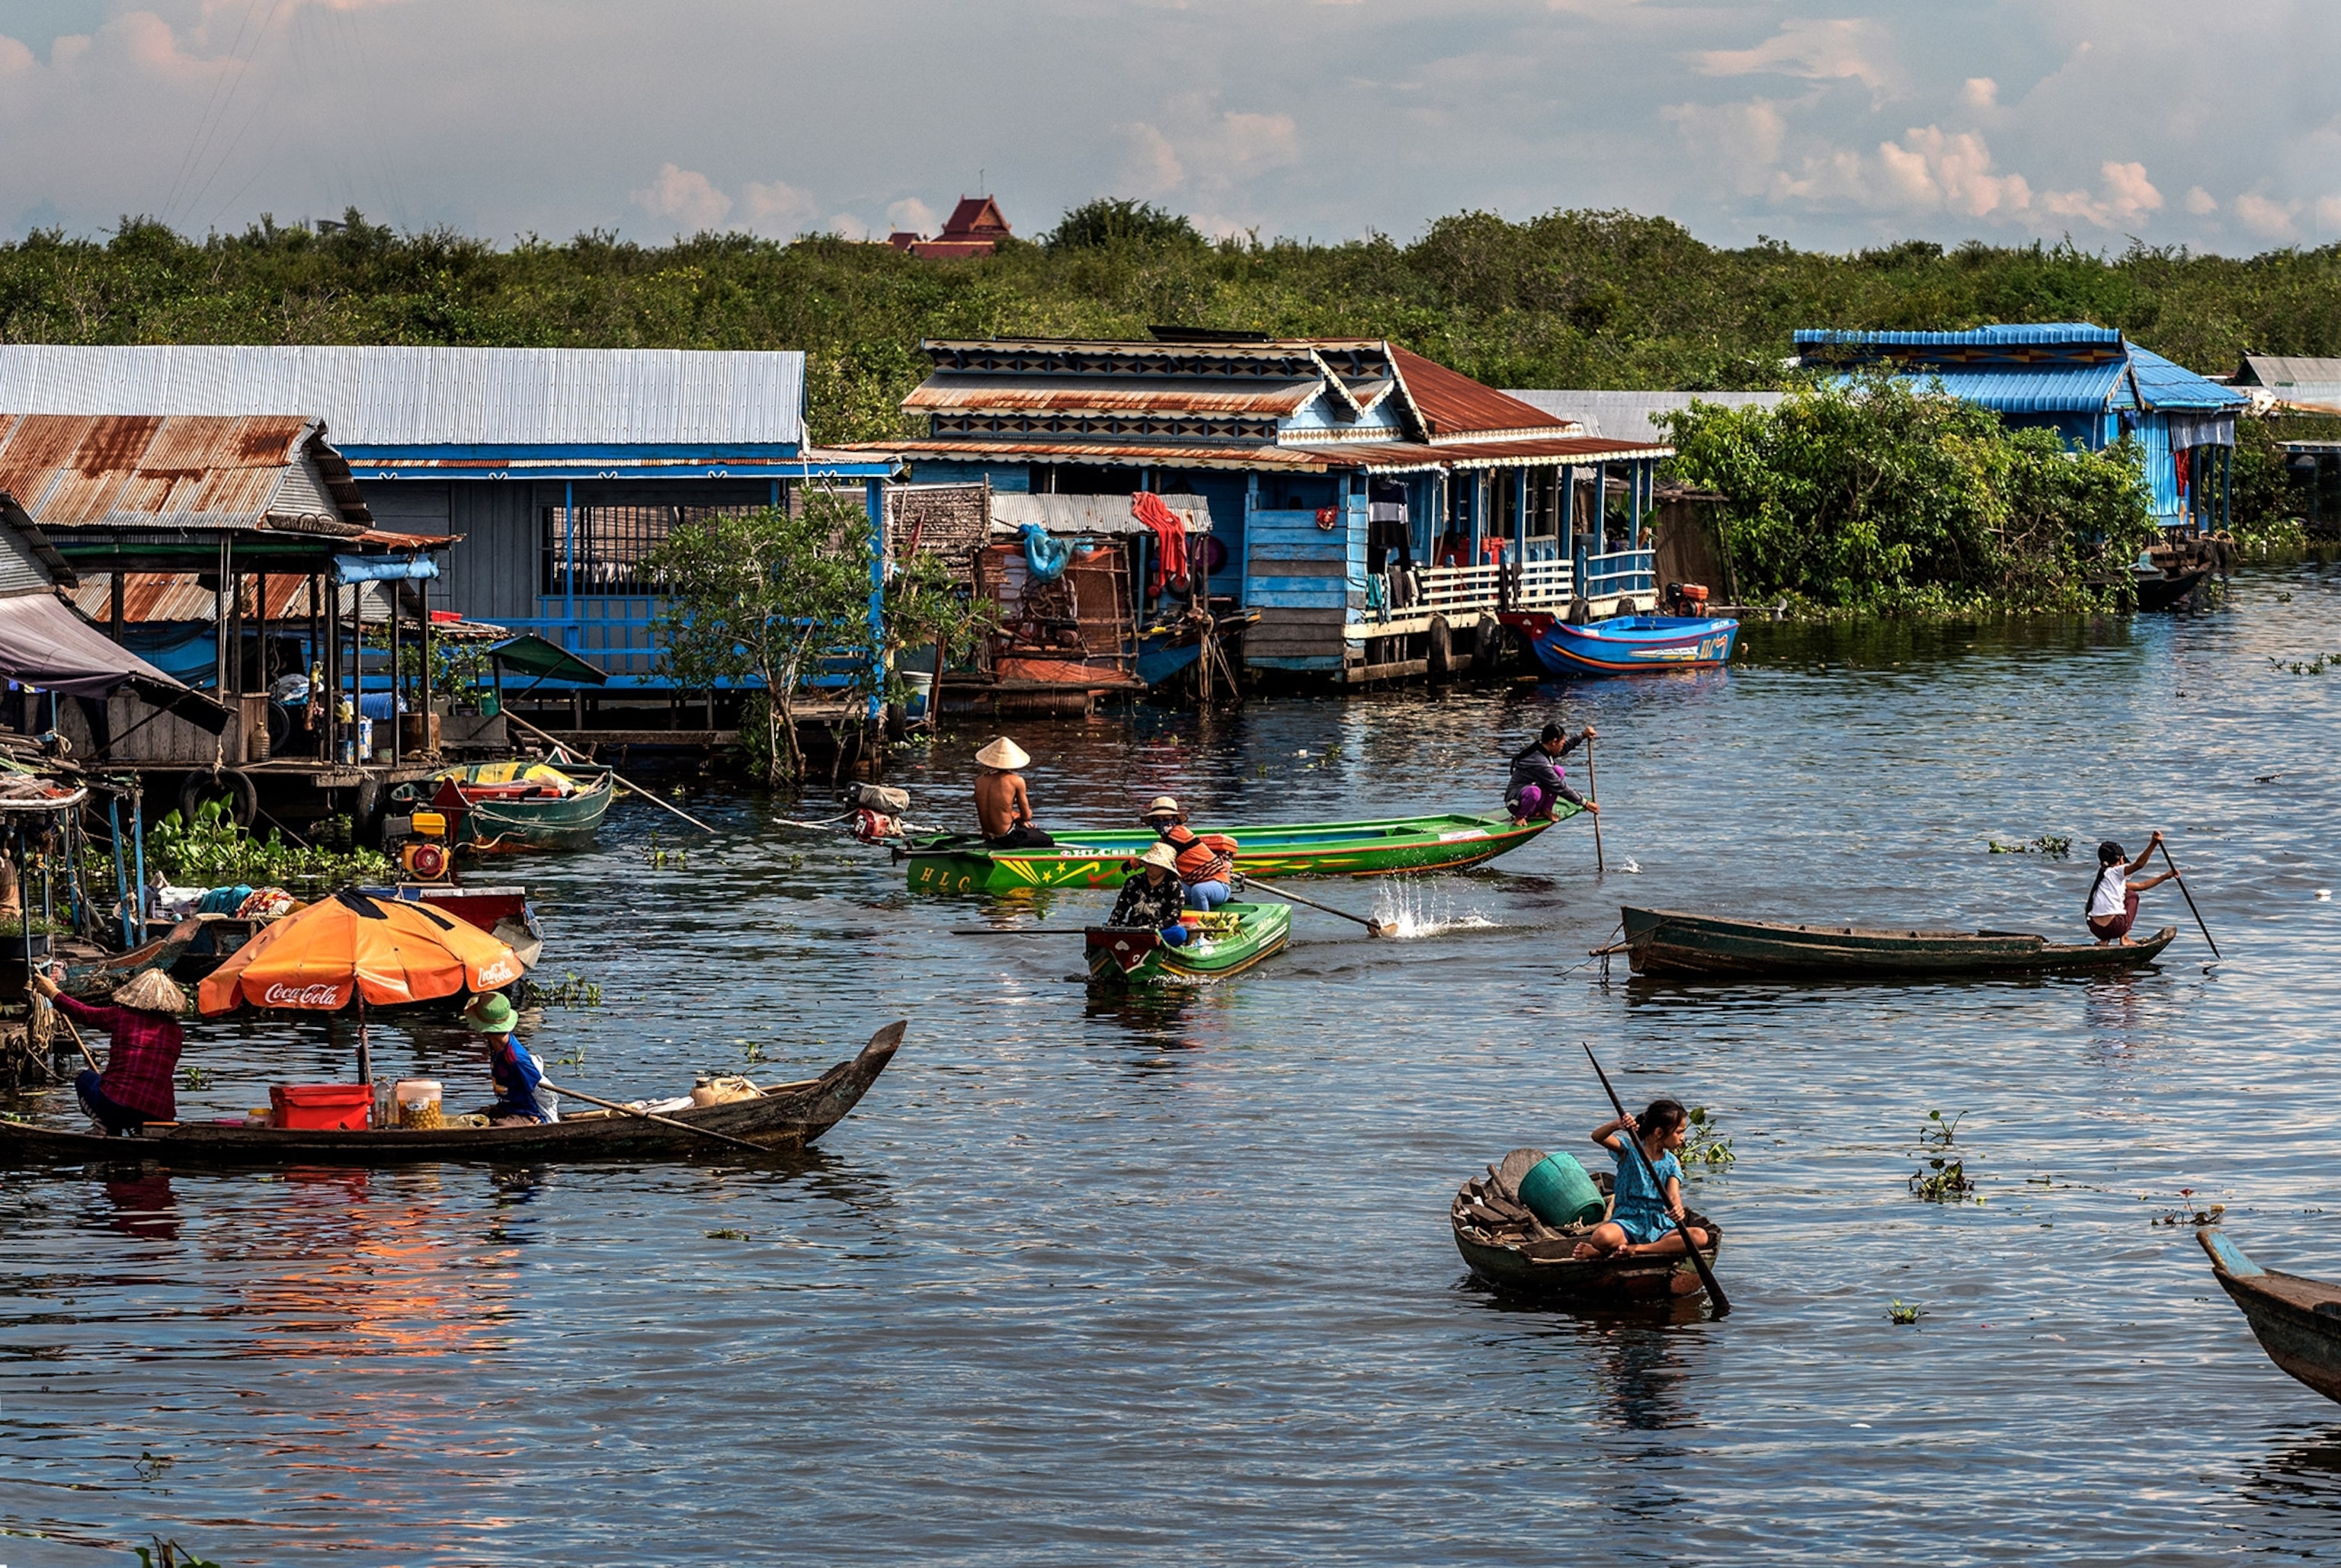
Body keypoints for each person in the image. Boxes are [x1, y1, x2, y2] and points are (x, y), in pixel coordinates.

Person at [33, 967, 188, 1136]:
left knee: (84, 1080)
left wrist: (53, 993)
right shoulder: (176, 1032)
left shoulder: (122, 1016)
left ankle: (103, 1126)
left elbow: (85, 1014)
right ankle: (117, 1129)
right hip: (160, 1113)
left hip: (117, 1103)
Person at [1571, 1099, 1709, 1262]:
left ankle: (1638, 1250)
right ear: (1659, 1132)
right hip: (1629, 1223)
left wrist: (1677, 1209)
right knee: (1600, 1237)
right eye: (1678, 1132)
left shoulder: (1672, 1162)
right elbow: (1597, 1137)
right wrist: (1616, 1125)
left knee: (1700, 1236)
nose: (1683, 1138)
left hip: (1660, 1226)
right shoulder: (1629, 1150)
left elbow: (1674, 1195)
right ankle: (1608, 1250)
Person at [464, 992, 559, 1125]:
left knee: (498, 1126)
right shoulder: (494, 1045)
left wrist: (542, 1119)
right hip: (507, 1108)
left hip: (527, 1114)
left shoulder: (517, 1059)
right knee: (466, 1121)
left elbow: (544, 1094)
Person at [1139, 795, 1236, 910]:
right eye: (1157, 820)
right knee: (1166, 889)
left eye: (1165, 818)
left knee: (1200, 890)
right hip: (1192, 885)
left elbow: (1161, 854)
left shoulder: (1180, 833)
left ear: (1175, 819)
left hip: (1218, 885)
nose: (1161, 823)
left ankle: (1201, 923)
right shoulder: (1164, 840)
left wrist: (1136, 862)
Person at [2088, 832, 2177, 945]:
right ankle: (2124, 938)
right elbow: (2139, 865)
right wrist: (2153, 844)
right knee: (2131, 896)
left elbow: (2141, 886)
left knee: (2126, 894)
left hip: (2096, 929)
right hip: (2115, 927)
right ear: (2121, 859)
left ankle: (2104, 941)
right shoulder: (2116, 872)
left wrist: (2165, 877)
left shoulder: (2102, 877)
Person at [1505, 722, 1600, 824]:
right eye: (1561, 743)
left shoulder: (1545, 750)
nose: (1562, 747)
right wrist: (1584, 803)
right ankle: (1520, 817)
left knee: (1558, 771)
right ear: (1554, 742)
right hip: (1516, 803)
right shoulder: (1539, 761)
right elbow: (1559, 786)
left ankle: (1546, 809)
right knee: (1534, 791)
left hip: (1532, 799)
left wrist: (1583, 735)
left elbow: (1564, 749)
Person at [1105, 843, 1192, 946]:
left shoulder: (1174, 886)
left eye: (1153, 864)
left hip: (1160, 930)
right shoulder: (1134, 882)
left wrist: (1150, 929)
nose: (1148, 867)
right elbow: (1120, 910)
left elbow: (1173, 917)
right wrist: (1111, 928)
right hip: (1133, 929)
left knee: (1179, 933)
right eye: (1147, 863)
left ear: (1164, 868)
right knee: (1106, 929)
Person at [974, 738, 1055, 848]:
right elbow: (1027, 815)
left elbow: (995, 808)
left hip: (988, 836)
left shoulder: (980, 781)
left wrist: (1016, 817)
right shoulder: (1016, 780)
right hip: (1006, 838)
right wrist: (1022, 820)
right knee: (1047, 840)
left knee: (1022, 827)